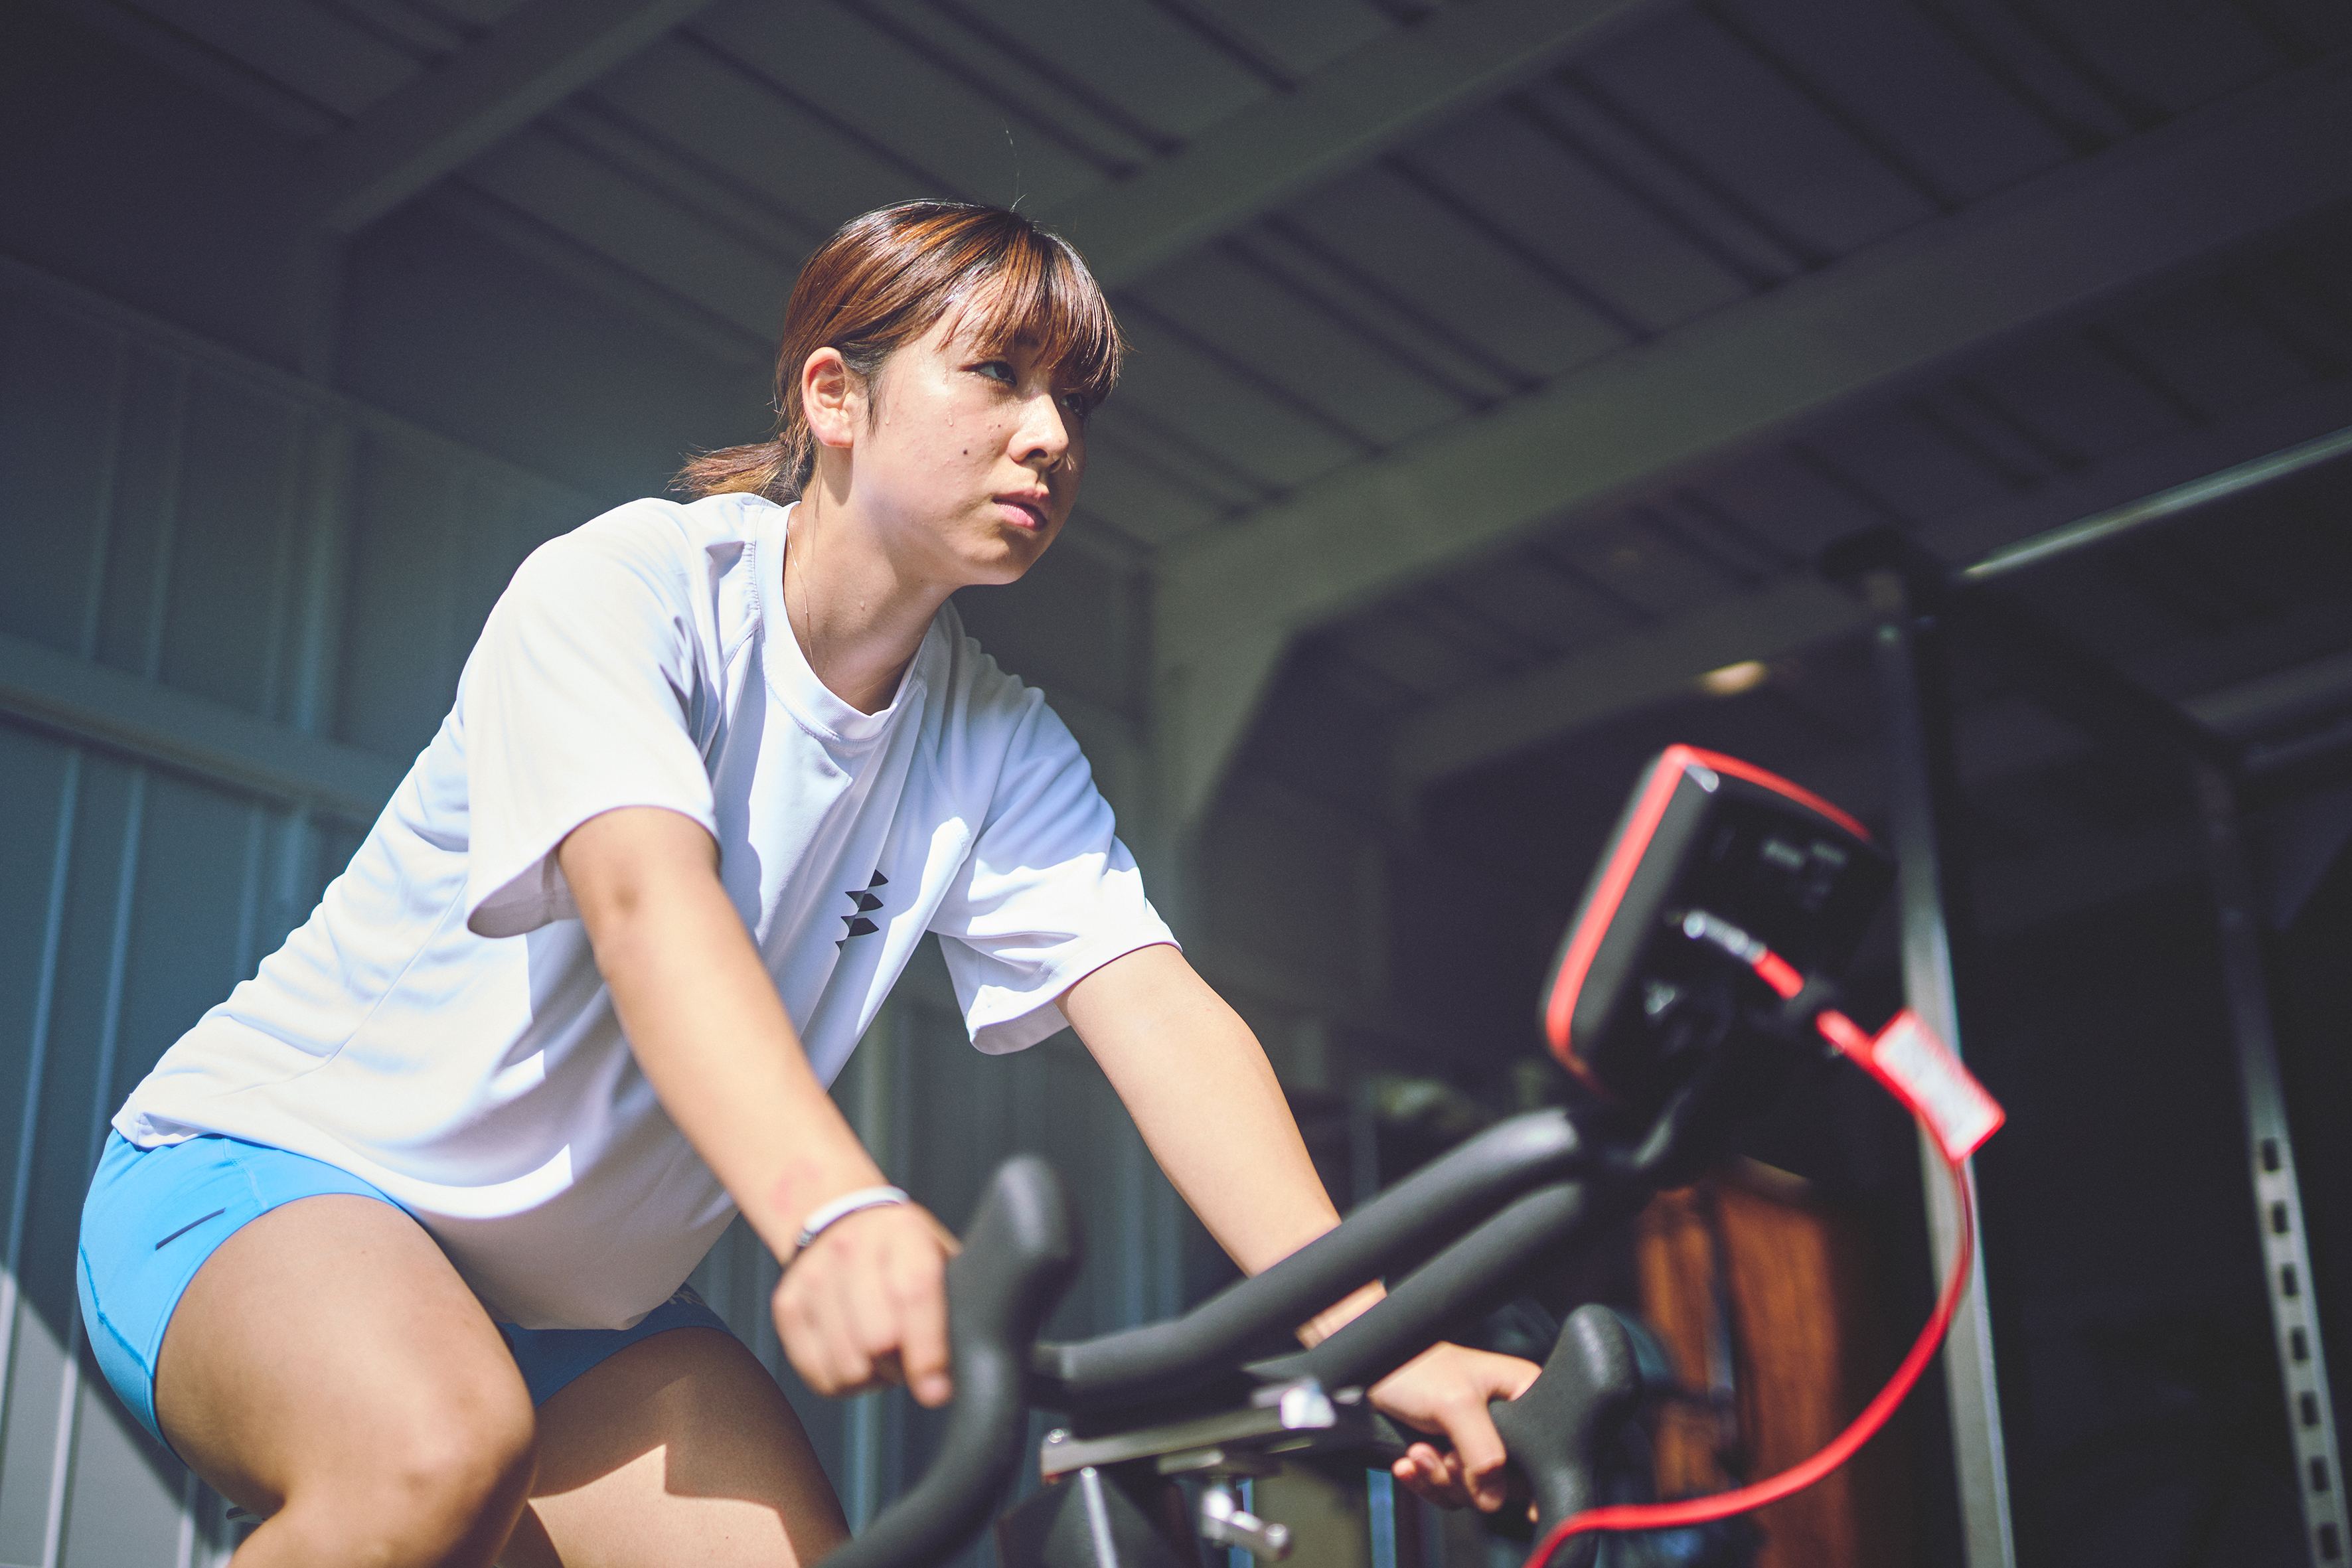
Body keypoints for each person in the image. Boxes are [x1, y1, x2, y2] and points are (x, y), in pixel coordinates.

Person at [77, 201, 1537, 1568]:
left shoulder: (996, 738)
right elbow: (649, 904)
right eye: (998, 377)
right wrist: (833, 1209)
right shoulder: (628, 587)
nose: (1049, 438)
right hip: (263, 1183)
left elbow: (1159, 1015)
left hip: (584, 1316)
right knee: (432, 1447)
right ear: (836, 398)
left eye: (1075, 403)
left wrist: (1374, 1330)